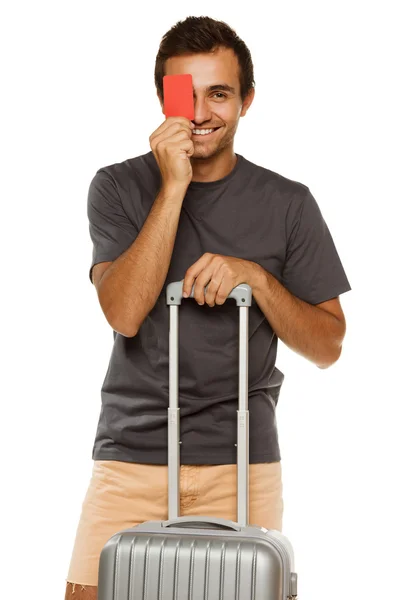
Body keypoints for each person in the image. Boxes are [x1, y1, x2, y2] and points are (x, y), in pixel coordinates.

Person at [64, 15, 351, 599]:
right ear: (160, 99)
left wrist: (258, 280)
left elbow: (328, 346)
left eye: (218, 93)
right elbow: (123, 312)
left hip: (241, 459)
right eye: (183, 94)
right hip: (133, 452)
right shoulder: (116, 187)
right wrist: (173, 186)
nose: (199, 112)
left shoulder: (289, 203)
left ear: (246, 101)